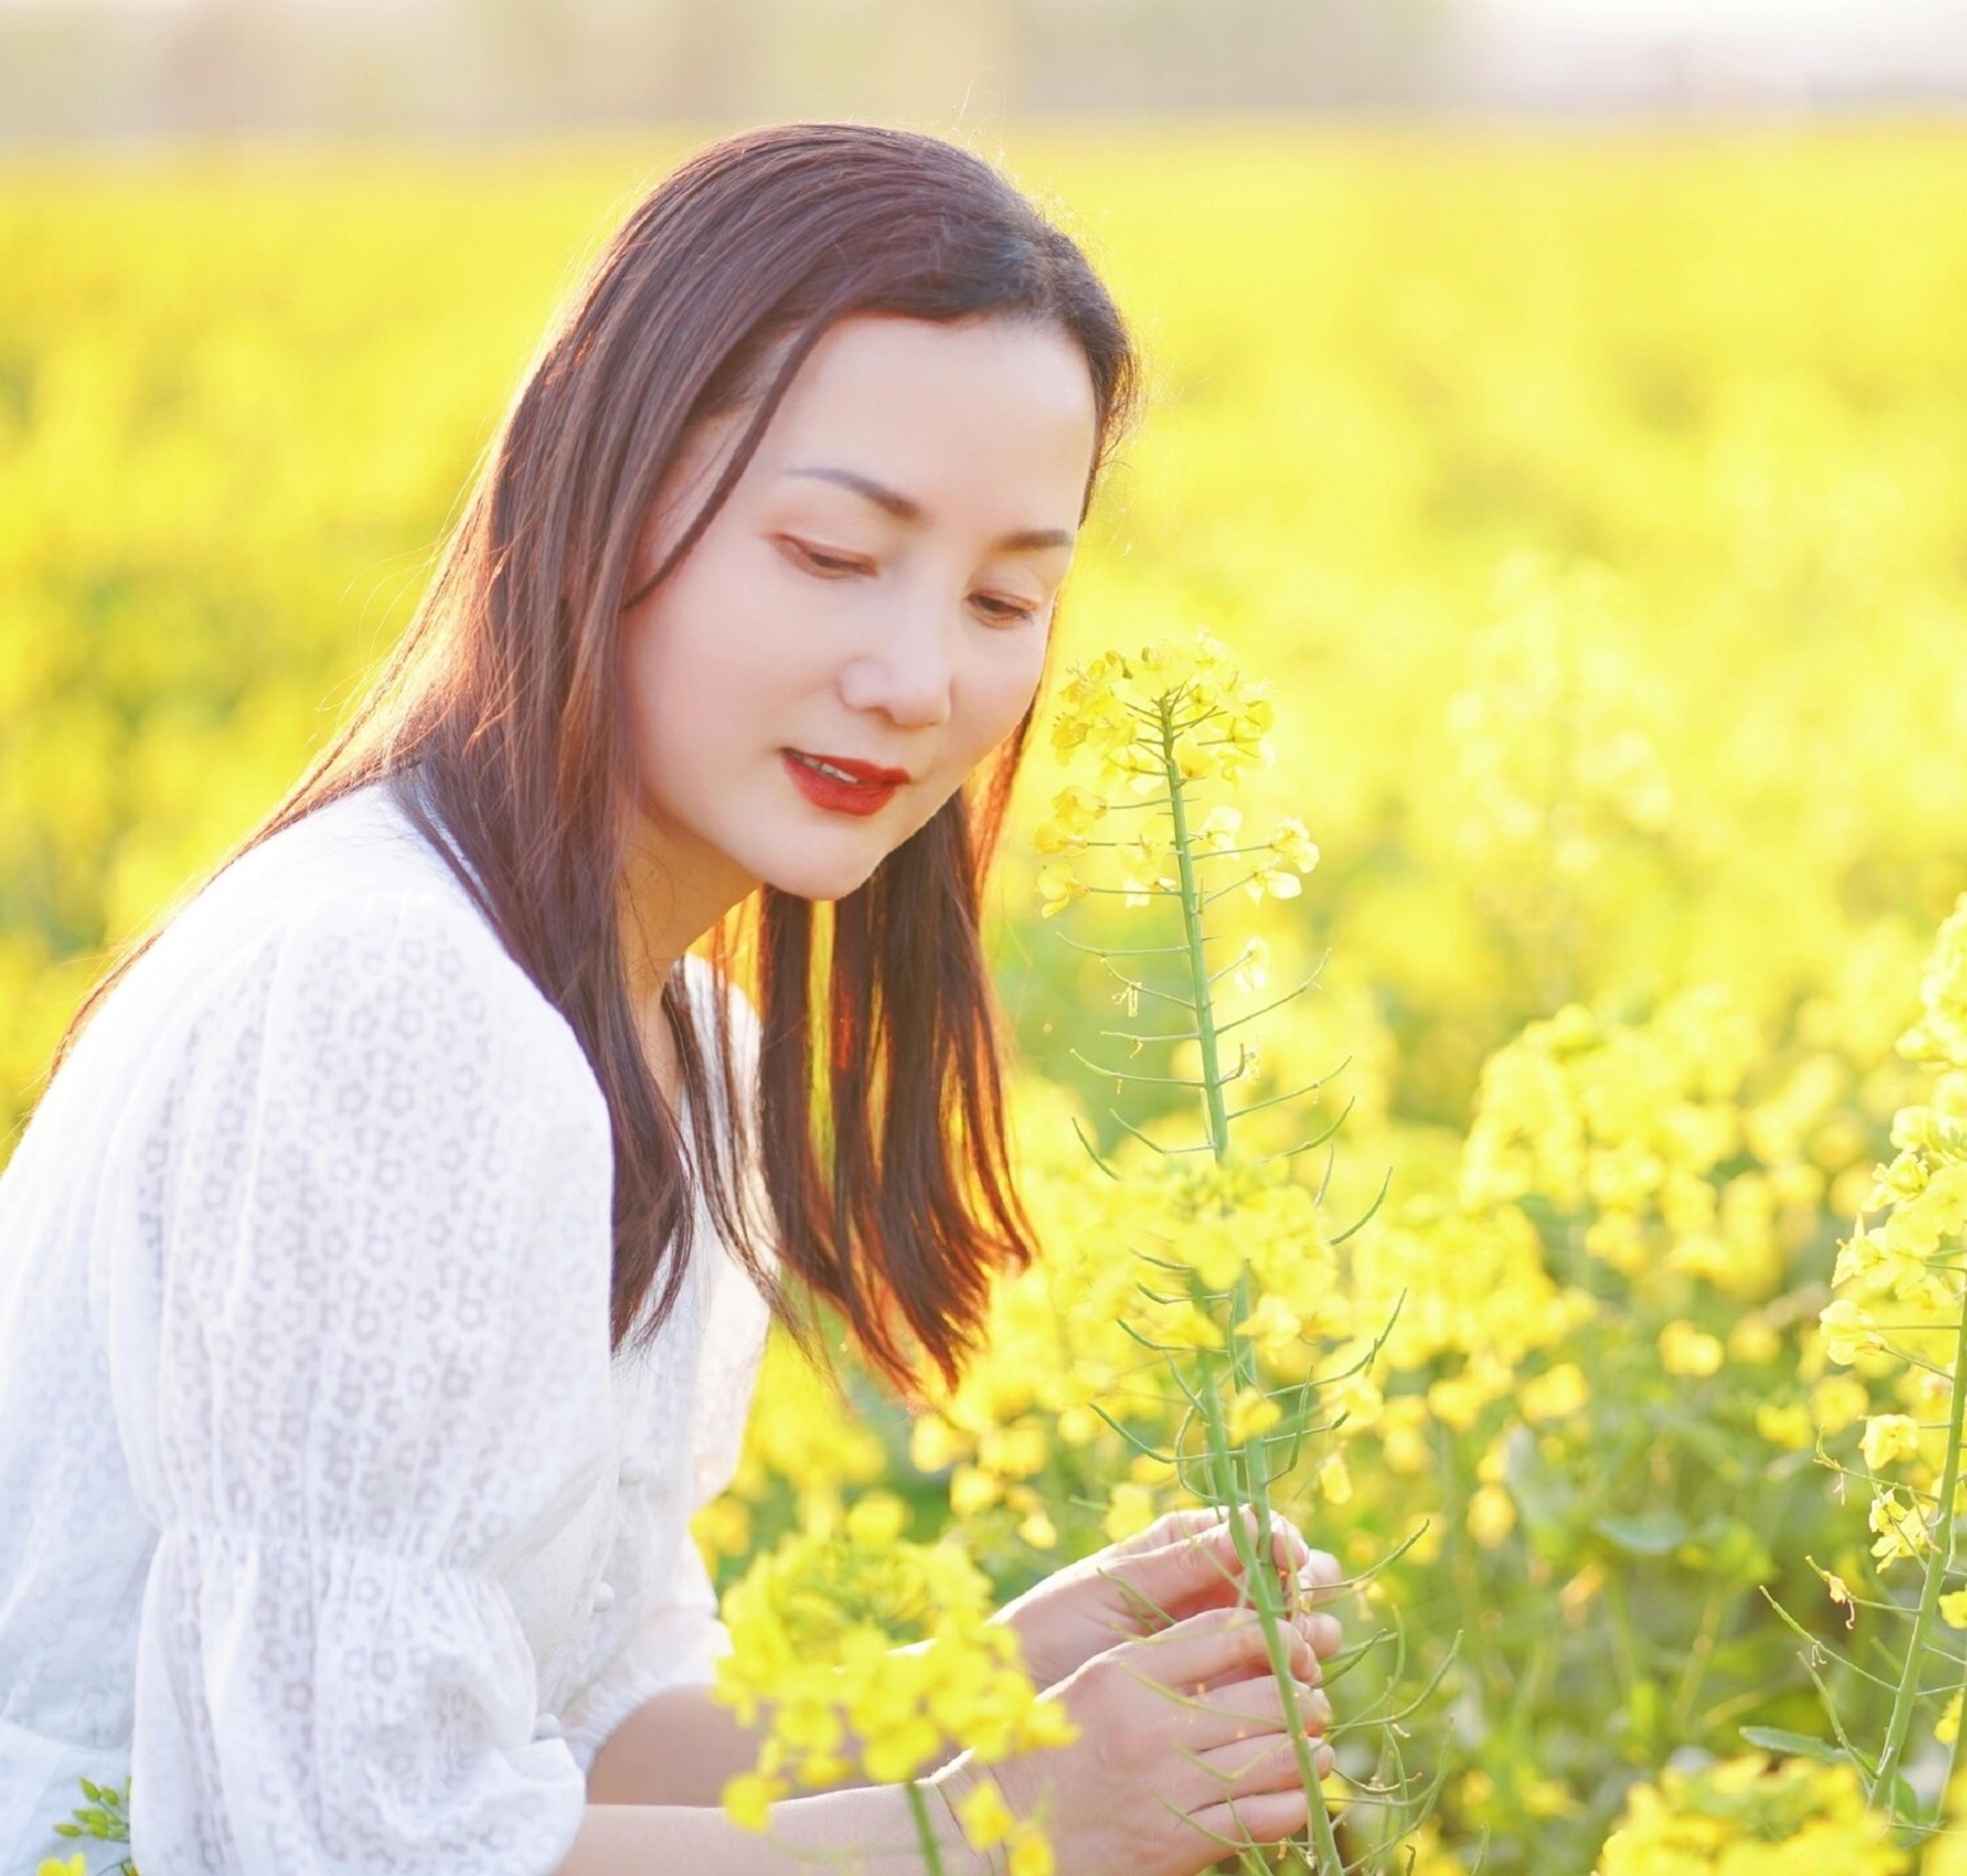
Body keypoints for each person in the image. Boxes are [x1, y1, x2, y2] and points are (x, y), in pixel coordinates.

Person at [0, 122, 1343, 1876]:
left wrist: (979, 1692)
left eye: (1009, 593)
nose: (918, 677)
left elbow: (585, 1728)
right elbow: (349, 1836)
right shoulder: (389, 1002)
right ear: (602, 490)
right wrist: (991, 1831)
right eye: (833, 554)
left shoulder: (670, 1040)